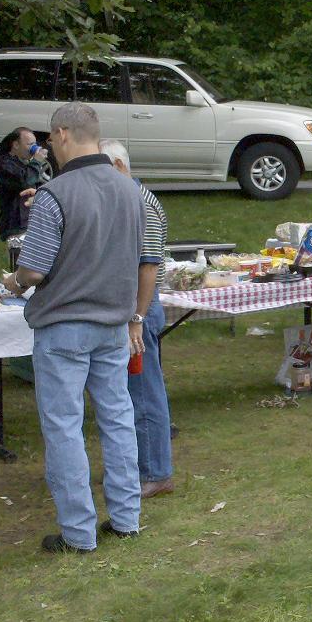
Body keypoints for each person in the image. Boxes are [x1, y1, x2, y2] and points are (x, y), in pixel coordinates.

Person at [2, 102, 148, 554]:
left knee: (64, 427)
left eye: (50, 139)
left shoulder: (55, 194)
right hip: (113, 323)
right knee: (117, 420)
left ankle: (79, 532)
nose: (50, 147)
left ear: (63, 135)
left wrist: (13, 280)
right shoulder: (131, 190)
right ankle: (127, 518)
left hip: (64, 325)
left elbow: (34, 270)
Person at [100, 139, 173, 500]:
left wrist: (136, 318)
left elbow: (148, 266)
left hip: (139, 308)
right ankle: (136, 466)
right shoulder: (126, 199)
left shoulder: (141, 203)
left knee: (143, 392)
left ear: (118, 167)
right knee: (128, 393)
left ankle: (155, 472)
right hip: (130, 307)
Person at [0, 126, 52, 239]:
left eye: (35, 144)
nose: (34, 148)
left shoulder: (23, 162)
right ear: (16, 145)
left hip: (29, 222)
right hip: (15, 224)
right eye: (30, 144)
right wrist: (36, 161)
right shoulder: (4, 164)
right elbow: (26, 181)